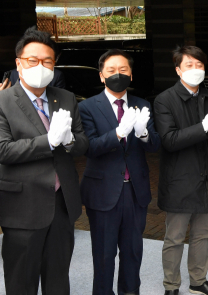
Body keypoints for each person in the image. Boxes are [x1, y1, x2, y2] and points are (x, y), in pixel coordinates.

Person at [0, 27, 88, 294]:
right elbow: (4, 150)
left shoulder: (65, 98)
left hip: (62, 204)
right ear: (18, 63)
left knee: (58, 278)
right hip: (22, 208)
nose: (40, 66)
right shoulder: (3, 101)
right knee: (22, 282)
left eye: (47, 61)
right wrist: (49, 141)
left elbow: (82, 142)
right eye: (32, 61)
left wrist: (69, 140)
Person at [78, 49, 161, 295]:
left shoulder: (142, 104)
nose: (118, 74)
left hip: (135, 191)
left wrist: (143, 132)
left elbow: (155, 145)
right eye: (111, 70)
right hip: (103, 191)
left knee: (133, 251)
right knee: (104, 253)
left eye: (123, 70)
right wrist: (118, 133)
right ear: (102, 76)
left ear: (131, 75)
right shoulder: (87, 107)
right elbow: (89, 147)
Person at [154, 45, 208, 295]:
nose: (195, 69)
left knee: (203, 234)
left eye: (199, 65)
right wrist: (204, 126)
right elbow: (170, 140)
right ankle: (171, 285)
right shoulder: (165, 99)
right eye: (189, 65)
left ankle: (198, 280)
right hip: (180, 181)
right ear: (178, 70)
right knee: (175, 237)